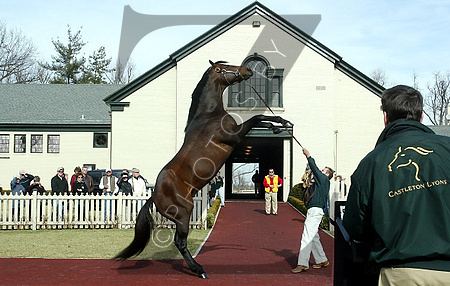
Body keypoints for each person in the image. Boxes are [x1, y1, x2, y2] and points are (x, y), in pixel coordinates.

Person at [343, 85, 450, 285]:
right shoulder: (447, 148)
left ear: (386, 117)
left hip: (402, 273)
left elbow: (354, 226)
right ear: (421, 116)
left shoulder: (372, 162)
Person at [292, 148, 334, 273]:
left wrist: (308, 155)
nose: (321, 171)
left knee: (306, 236)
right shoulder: (320, 182)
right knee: (313, 237)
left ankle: (303, 263)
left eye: (324, 171)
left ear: (327, 175)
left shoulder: (324, 179)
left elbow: (314, 168)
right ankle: (322, 260)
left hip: (315, 211)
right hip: (314, 211)